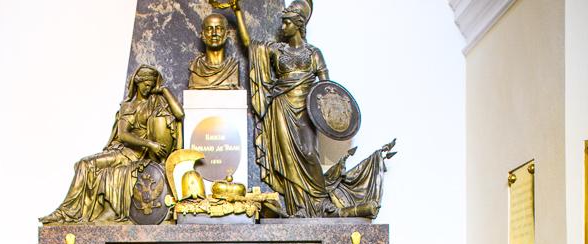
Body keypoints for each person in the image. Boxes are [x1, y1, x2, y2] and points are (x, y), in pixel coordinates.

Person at [220, 0, 394, 219]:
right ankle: (298, 208)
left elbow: (328, 89)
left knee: (309, 153)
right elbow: (249, 45)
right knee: (288, 159)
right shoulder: (276, 50)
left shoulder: (314, 53)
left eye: (287, 23)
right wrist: (237, 12)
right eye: (283, 23)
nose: (283, 28)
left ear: (298, 24)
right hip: (281, 107)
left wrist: (333, 117)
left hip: (306, 111)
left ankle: (320, 204)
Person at [40, 65, 183, 224]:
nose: (148, 88)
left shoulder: (156, 102)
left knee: (86, 165)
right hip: (124, 151)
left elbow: (179, 114)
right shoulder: (128, 106)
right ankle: (66, 212)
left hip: (137, 155)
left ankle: (67, 212)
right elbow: (123, 135)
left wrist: (163, 90)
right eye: (145, 84)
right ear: (137, 82)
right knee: (84, 165)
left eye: (151, 85)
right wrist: (150, 143)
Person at [187, 13, 240, 90]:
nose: (214, 33)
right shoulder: (196, 67)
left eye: (218, 29)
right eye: (209, 29)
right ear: (203, 34)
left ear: (226, 34)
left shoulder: (232, 67)